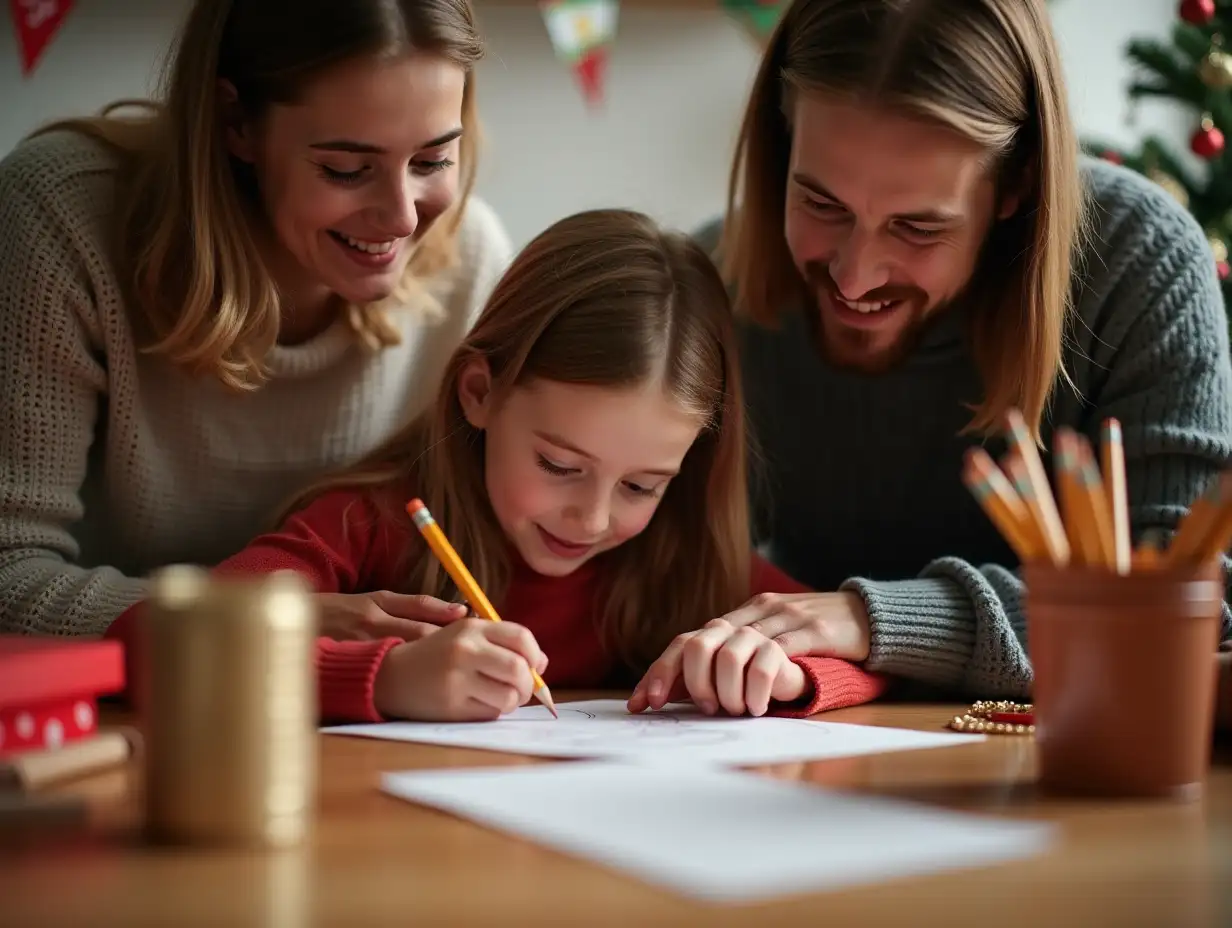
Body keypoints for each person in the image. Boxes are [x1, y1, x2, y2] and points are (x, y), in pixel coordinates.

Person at [653, 0, 1232, 701]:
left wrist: (875, 618)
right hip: (806, 739)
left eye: (918, 227)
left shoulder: (1137, 261)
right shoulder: (718, 277)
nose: (854, 276)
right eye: (821, 203)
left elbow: (1179, 603)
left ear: (1016, 184)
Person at [106, 209, 887, 722]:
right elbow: (164, 643)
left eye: (643, 485)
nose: (591, 518)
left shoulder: (685, 554)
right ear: (480, 393)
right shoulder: (371, 525)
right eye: (559, 464)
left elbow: (876, 658)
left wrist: (793, 677)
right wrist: (385, 679)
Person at [0, 0, 513, 642]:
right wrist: (259, 626)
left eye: (433, 161)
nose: (403, 218)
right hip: (112, 721)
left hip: (367, 719)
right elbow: (7, 576)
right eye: (347, 169)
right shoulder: (61, 219)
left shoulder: (472, 260)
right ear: (235, 121)